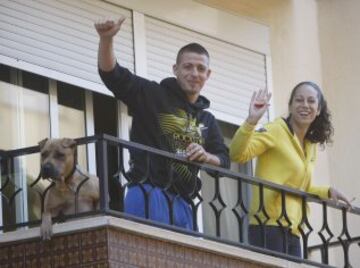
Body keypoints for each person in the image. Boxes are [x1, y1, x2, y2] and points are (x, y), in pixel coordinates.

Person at [95, 17, 230, 230]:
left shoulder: (207, 120)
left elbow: (223, 162)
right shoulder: (152, 94)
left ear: (208, 74)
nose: (194, 73)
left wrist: (206, 156)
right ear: (175, 69)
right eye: (188, 67)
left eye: (201, 68)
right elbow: (112, 75)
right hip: (148, 192)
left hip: (184, 203)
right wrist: (106, 40)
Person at [229, 82, 352, 257]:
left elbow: (301, 188)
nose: (305, 105)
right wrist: (252, 121)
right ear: (291, 106)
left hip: (293, 230)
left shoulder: (310, 145)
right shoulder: (275, 129)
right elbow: (237, 154)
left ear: (318, 110)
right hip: (267, 226)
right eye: (299, 100)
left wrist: (328, 191)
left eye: (311, 101)